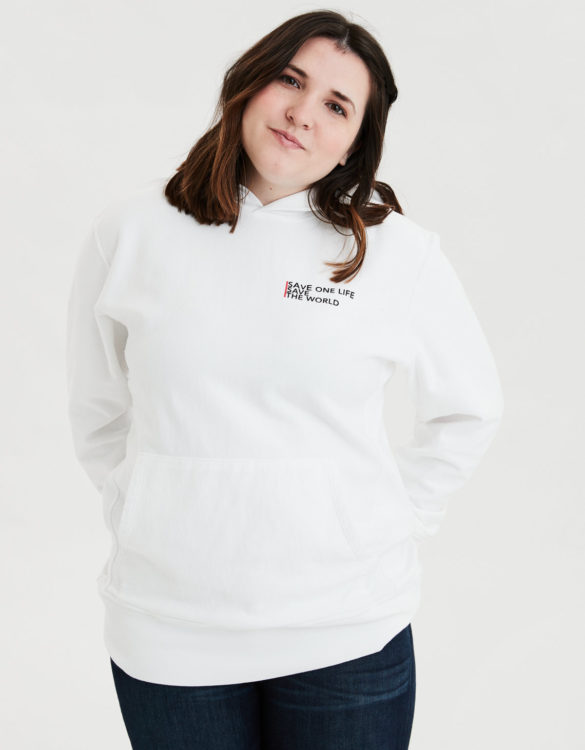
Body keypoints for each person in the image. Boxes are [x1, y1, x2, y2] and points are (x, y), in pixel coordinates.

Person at [65, 9, 504, 749]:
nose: (302, 114)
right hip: (171, 629)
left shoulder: (399, 253)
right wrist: (151, 509)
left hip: (345, 627)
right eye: (288, 80)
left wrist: (387, 523)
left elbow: (468, 411)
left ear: (353, 143)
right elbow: (98, 411)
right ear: (246, 84)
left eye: (336, 106)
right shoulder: (130, 231)